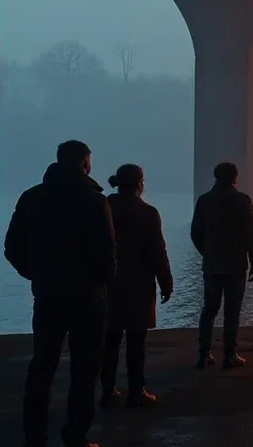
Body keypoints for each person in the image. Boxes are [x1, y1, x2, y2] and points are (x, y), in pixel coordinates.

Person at [4, 140, 116, 447]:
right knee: (84, 369)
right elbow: (108, 252)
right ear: (84, 163)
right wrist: (103, 282)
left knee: (42, 365)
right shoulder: (95, 202)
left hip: (48, 293)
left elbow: (12, 247)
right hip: (88, 295)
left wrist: (35, 273)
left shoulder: (32, 198)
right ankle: (76, 436)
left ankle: (35, 437)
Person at [100, 164, 174, 408]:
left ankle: (108, 389)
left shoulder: (104, 207)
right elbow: (157, 252)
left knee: (109, 340)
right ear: (140, 183)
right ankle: (136, 389)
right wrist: (166, 281)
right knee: (136, 342)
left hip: (106, 284)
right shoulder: (148, 213)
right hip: (138, 285)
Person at [191, 161, 253, 369]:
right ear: (235, 178)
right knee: (232, 310)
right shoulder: (242, 200)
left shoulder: (204, 200)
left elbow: (195, 233)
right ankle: (230, 356)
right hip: (236, 264)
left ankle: (204, 354)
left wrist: (207, 253)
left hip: (212, 264)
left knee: (209, 308)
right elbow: (250, 233)